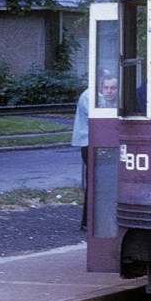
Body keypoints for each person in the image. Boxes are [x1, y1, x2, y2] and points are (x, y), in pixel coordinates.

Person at [71, 87, 90, 231]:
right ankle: (88, 221)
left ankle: (88, 221)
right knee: (95, 183)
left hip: (88, 142)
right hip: (89, 142)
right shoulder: (90, 96)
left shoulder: (94, 95)